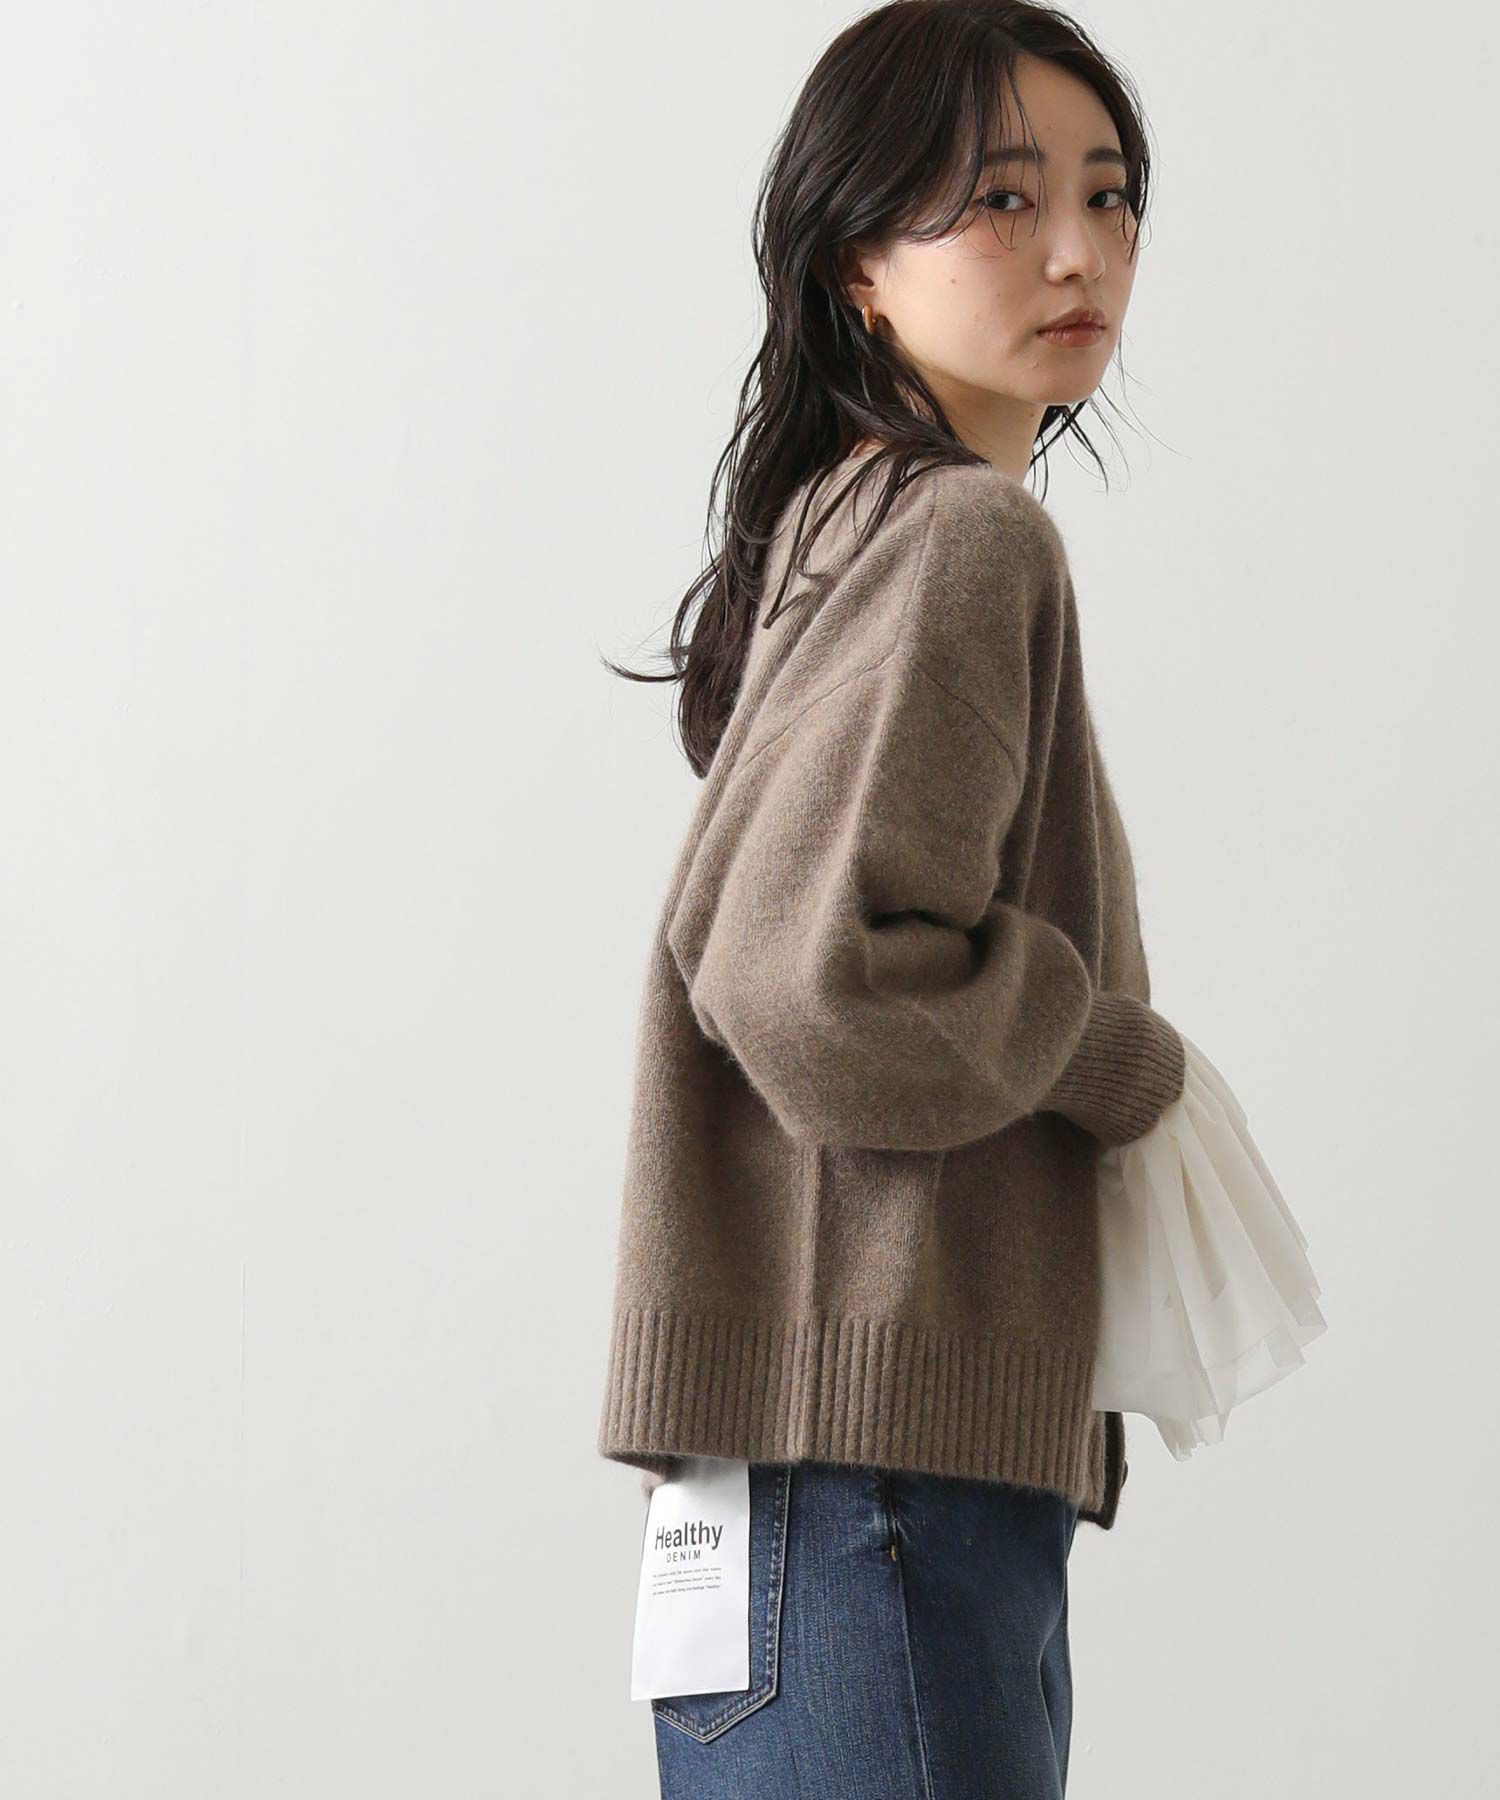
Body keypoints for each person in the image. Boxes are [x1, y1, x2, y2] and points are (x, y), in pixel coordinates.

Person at [598, 4, 1186, 1793]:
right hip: (881, 1487)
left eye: (1109, 193)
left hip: (809, 1487)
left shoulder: (839, 520)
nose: (1078, 249)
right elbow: (806, 981)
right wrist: (1106, 1049)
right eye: (1002, 200)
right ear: (856, 258)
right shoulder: (960, 535)